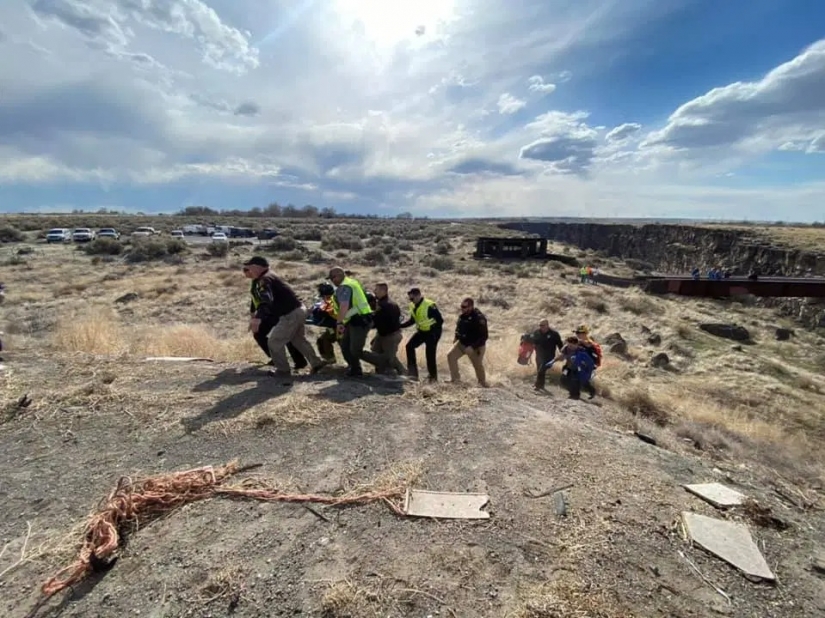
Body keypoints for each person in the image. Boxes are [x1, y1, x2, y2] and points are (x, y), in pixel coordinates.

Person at [244, 256, 325, 378]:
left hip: (290, 314)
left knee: (274, 342)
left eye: (250, 268)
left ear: (256, 267)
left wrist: (258, 318)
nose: (249, 271)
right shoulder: (270, 276)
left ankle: (283, 370)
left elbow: (266, 300)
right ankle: (316, 363)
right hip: (298, 311)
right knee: (298, 340)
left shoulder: (265, 279)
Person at [244, 262, 307, 370]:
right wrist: (253, 315)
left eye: (247, 270)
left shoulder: (265, 279)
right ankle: (275, 358)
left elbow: (268, 299)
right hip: (267, 313)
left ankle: (299, 362)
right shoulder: (255, 283)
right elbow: (254, 299)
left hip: (277, 312)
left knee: (287, 337)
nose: (246, 273)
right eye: (245, 270)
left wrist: (258, 317)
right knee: (259, 333)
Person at [328, 266, 374, 377]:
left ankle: (382, 362)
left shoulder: (344, 287)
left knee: (355, 349)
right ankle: (355, 369)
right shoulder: (351, 283)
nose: (332, 281)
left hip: (360, 320)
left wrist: (339, 322)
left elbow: (344, 305)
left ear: (339, 276)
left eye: (332, 278)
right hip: (352, 320)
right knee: (345, 346)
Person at [361, 282, 406, 375]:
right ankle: (381, 372)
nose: (374, 292)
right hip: (383, 334)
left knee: (389, 359)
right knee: (376, 352)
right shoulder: (386, 303)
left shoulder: (386, 305)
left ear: (383, 291)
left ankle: (403, 373)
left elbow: (378, 321)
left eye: (376, 290)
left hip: (390, 336)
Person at [401, 287, 444, 382]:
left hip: (433, 333)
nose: (411, 300)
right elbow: (412, 320)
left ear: (418, 296)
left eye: (412, 298)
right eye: (410, 299)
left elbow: (440, 320)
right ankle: (413, 374)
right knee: (409, 346)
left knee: (430, 354)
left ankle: (433, 378)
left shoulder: (429, 305)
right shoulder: (412, 305)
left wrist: (434, 333)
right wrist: (400, 325)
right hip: (422, 331)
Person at [447, 297, 489, 386]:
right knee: (450, 356)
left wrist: (473, 347)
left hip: (476, 346)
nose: (462, 309)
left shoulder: (479, 318)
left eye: (464, 307)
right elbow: (458, 328)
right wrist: (456, 337)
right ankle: (455, 380)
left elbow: (484, 336)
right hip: (462, 343)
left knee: (477, 365)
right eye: (461, 306)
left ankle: (482, 383)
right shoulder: (462, 316)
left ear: (471, 307)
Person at [308, 282, 339, 363]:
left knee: (325, 340)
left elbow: (321, 313)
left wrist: (316, 310)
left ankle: (352, 364)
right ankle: (330, 358)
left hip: (341, 327)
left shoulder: (333, 302)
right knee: (323, 340)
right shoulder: (335, 299)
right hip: (335, 327)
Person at [528, 319, 563, 391]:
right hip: (539, 355)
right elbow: (533, 342)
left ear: (547, 325)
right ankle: (541, 385)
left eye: (543, 325)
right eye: (540, 325)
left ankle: (537, 385)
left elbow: (560, 345)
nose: (541, 327)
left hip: (549, 356)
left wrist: (563, 354)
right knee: (540, 370)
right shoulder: (537, 332)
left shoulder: (554, 334)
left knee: (541, 370)